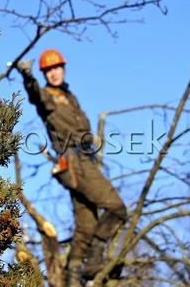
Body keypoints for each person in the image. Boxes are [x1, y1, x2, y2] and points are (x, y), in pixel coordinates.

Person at [16, 49, 127, 286]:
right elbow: (34, 95)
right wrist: (27, 75)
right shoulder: (46, 95)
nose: (54, 73)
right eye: (48, 70)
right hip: (74, 162)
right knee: (117, 208)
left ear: (63, 69)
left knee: (87, 225)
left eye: (57, 68)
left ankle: (74, 275)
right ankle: (95, 259)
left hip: (85, 159)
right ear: (43, 74)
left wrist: (91, 139)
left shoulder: (70, 96)